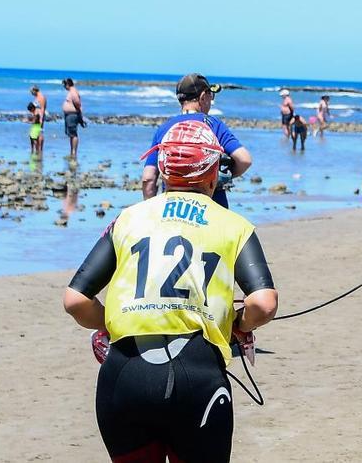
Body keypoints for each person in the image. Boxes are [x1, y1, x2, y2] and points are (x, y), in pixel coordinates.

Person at [63, 119, 279, 461]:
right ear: (212, 174)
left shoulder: (128, 219)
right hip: (197, 378)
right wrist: (239, 324)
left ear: (164, 171)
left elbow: (75, 299)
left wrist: (110, 322)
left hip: (124, 377)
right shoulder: (234, 226)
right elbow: (264, 303)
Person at [142, 74, 252, 209]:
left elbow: (148, 178)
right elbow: (244, 160)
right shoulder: (213, 125)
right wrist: (223, 177)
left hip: (172, 210)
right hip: (212, 209)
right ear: (203, 97)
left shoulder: (165, 128)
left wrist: (151, 210)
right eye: (211, 96)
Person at [61, 78, 85, 159]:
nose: (64, 87)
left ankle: (74, 152)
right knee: (71, 134)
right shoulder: (71, 92)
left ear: (68, 84)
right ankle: (72, 151)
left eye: (64, 85)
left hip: (72, 115)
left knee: (73, 134)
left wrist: (79, 114)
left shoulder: (73, 92)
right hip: (69, 115)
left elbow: (77, 103)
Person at [29, 85, 47, 154]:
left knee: (40, 132)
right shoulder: (37, 97)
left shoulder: (41, 97)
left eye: (31, 92)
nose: (31, 93)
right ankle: (37, 149)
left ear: (34, 90)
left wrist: (41, 119)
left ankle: (40, 149)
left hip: (39, 116)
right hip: (36, 116)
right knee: (35, 133)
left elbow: (42, 108)